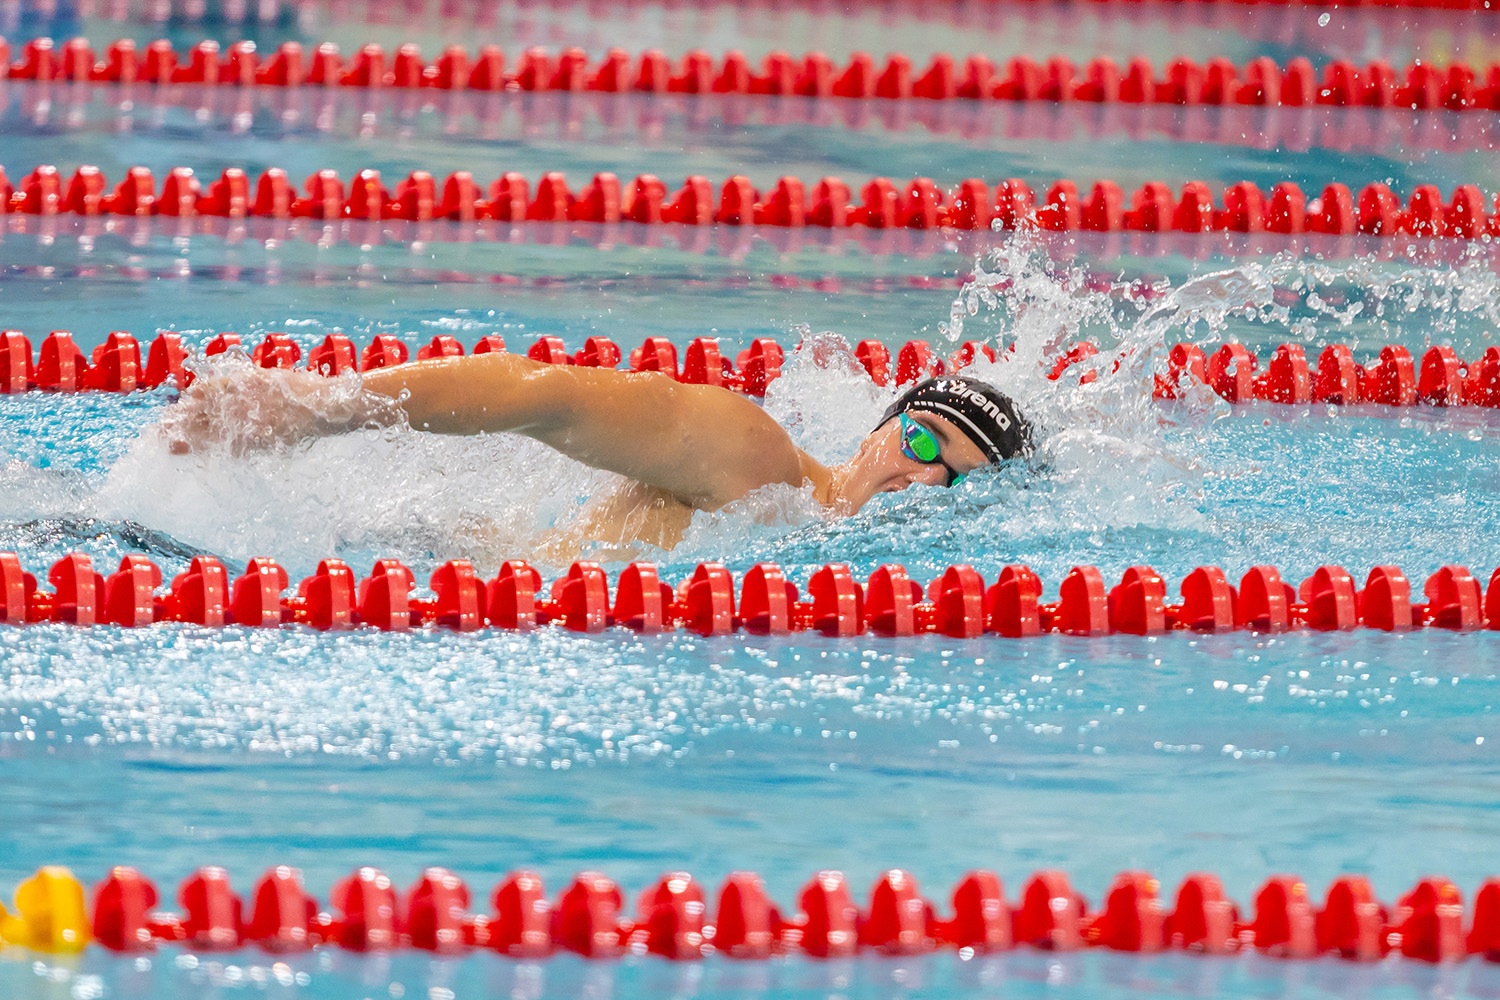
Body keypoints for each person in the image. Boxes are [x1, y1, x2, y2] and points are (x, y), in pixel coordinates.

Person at [162, 350, 1032, 550]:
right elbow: (551, 397)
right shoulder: (758, 458)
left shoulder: (808, 538)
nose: (919, 476)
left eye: (951, 480)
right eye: (920, 438)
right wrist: (324, 406)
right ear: (881, 425)